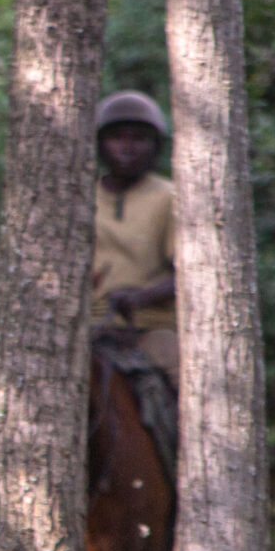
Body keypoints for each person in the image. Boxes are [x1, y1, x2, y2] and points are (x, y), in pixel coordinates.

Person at [91, 90, 179, 376]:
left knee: (182, 378)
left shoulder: (170, 197)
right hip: (89, 327)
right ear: (100, 145)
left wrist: (143, 297)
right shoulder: (79, 197)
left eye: (139, 139)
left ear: (155, 146)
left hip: (152, 326)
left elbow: (194, 273)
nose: (127, 147)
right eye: (117, 138)